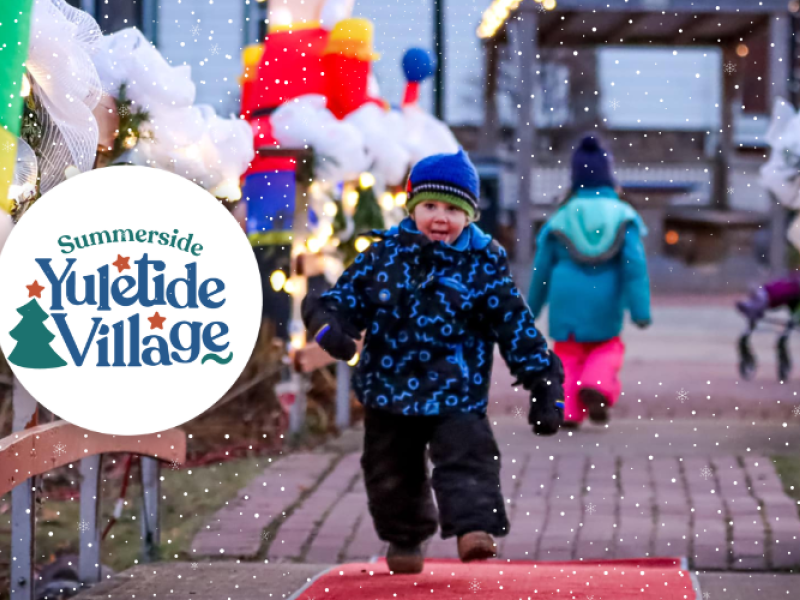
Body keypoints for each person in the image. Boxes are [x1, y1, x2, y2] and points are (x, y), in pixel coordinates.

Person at [301, 148, 564, 574]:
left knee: (468, 458)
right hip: (390, 389)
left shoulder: (484, 265)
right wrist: (329, 323)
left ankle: (474, 530)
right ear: (411, 208)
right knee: (390, 470)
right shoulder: (384, 256)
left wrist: (543, 381)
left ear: (470, 216)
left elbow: (515, 326)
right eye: (429, 206)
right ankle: (405, 538)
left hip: (456, 389)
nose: (440, 217)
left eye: (452, 209)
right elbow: (342, 299)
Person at [528, 135, 651, 429]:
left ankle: (568, 410)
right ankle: (596, 384)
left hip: (565, 294)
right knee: (607, 346)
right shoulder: (624, 216)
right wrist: (640, 309)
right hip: (605, 297)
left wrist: (529, 309)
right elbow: (635, 265)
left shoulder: (560, 217)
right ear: (609, 177)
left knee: (567, 355)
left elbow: (541, 268)